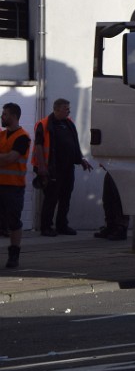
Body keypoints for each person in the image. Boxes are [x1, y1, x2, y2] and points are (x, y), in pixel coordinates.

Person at [33, 98, 92, 236]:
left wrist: (81, 160)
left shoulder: (68, 123)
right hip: (52, 168)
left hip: (67, 168)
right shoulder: (45, 124)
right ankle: (46, 227)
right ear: (57, 109)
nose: (69, 111)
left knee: (65, 197)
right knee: (51, 198)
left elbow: (74, 144)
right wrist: (42, 167)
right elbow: (38, 146)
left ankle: (62, 226)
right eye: (66, 109)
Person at [0, 102, 31, 268]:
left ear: (13, 116)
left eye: (4, 114)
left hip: (13, 187)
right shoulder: (1, 135)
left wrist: (3, 158)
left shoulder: (22, 137)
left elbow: (11, 158)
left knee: (13, 222)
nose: (2, 117)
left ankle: (14, 255)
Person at [94, 169, 129, 241]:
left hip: (121, 167)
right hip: (111, 167)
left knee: (119, 198)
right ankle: (111, 226)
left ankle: (121, 227)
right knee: (107, 198)